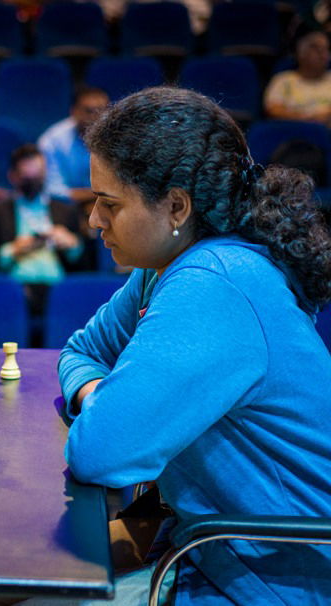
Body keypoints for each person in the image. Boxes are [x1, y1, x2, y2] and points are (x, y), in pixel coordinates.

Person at [57, 87, 331, 604]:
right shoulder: (164, 267)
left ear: (177, 206)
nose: (94, 220)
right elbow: (81, 352)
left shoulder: (216, 282)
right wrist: (102, 394)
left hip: (271, 580)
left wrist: (111, 407)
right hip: (201, 545)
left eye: (110, 204)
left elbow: (99, 453)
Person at [0, 144, 85, 318]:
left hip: (58, 290)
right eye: (28, 176)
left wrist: (73, 245)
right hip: (14, 290)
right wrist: (12, 250)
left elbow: (88, 264)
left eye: (39, 174)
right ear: (13, 176)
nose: (35, 181)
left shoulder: (65, 211)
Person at [38, 86, 109, 207]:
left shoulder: (119, 137)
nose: (96, 117)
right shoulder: (51, 141)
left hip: (109, 205)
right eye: (89, 111)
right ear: (73, 111)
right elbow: (54, 192)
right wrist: (100, 195)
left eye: (102, 111)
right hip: (66, 209)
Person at [264, 27, 331, 125]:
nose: (322, 54)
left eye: (326, 49)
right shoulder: (283, 80)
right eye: (315, 48)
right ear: (300, 53)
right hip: (292, 130)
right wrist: (307, 119)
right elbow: (273, 109)